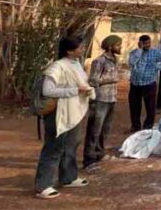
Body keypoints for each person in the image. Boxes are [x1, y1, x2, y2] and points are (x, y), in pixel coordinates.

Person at [34, 36, 94, 199]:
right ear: (69, 50)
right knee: (54, 148)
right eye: (80, 47)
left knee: (71, 145)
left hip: (73, 111)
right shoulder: (57, 66)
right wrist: (75, 90)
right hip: (58, 113)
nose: (82, 49)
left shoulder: (77, 65)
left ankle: (68, 177)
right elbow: (48, 90)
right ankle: (43, 185)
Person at [83, 35, 122, 171]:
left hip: (111, 98)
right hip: (100, 100)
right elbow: (93, 80)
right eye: (118, 45)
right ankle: (88, 160)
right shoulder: (99, 61)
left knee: (105, 130)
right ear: (110, 47)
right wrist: (111, 78)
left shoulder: (115, 60)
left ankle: (99, 153)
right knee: (94, 130)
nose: (120, 47)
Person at [128, 35, 161, 132]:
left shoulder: (155, 52)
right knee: (135, 107)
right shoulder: (134, 53)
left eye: (149, 43)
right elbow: (131, 63)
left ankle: (148, 126)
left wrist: (158, 66)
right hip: (135, 84)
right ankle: (136, 126)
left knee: (150, 107)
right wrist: (140, 50)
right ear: (140, 43)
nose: (147, 45)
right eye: (145, 43)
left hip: (149, 83)